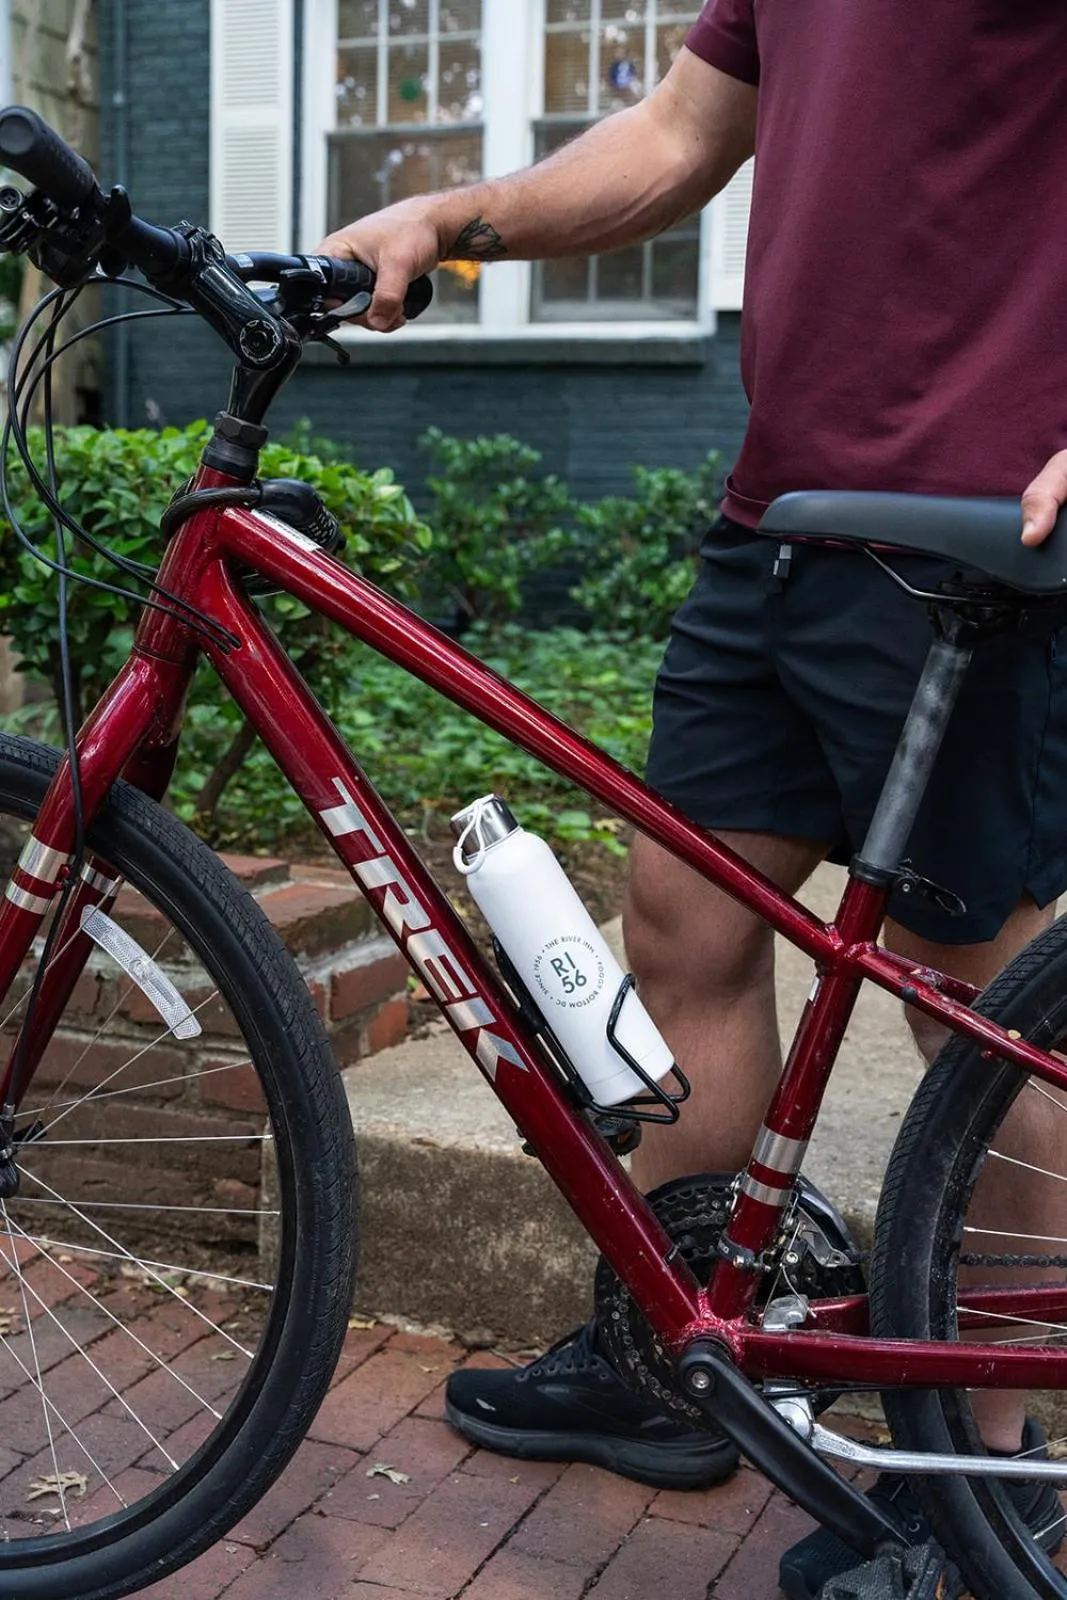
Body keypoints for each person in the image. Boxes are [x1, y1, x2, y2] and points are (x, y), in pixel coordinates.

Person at [318, 3, 1067, 1593]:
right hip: (780, 517)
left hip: (972, 528)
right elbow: (674, 137)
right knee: (682, 929)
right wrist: (452, 217)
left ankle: (994, 1478)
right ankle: (673, 1359)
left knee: (975, 1008)